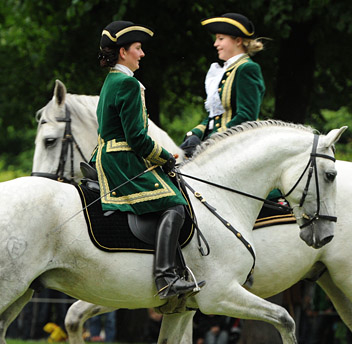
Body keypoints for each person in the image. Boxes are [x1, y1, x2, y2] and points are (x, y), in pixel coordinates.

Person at [92, 20, 204, 299]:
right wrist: (166, 157)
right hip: (123, 161)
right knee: (175, 206)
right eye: (138, 48)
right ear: (123, 52)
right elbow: (137, 139)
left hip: (108, 155)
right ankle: (166, 277)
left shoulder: (111, 81)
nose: (142, 54)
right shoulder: (128, 84)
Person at [179, 13, 266, 156]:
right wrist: (195, 134)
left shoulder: (247, 68)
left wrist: (214, 140)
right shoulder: (226, 71)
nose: (215, 44)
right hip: (220, 142)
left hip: (237, 145)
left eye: (220, 39)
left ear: (238, 41)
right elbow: (216, 116)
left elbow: (247, 116)